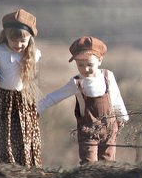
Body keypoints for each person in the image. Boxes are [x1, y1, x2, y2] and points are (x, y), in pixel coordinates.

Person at [37, 36, 129, 165]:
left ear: (100, 61)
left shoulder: (108, 76)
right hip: (88, 131)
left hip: (109, 129)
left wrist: (122, 117)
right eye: (80, 65)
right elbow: (54, 97)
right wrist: (36, 108)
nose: (85, 69)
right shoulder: (76, 83)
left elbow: (116, 97)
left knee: (108, 163)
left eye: (90, 64)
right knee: (88, 164)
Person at [0, 9, 43, 167]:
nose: (18, 45)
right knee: (2, 135)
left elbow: (34, 79)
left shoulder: (35, 54)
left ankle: (25, 165)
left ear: (30, 38)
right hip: (1, 100)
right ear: (6, 36)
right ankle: (3, 166)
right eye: (14, 40)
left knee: (24, 135)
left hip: (24, 101)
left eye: (23, 41)